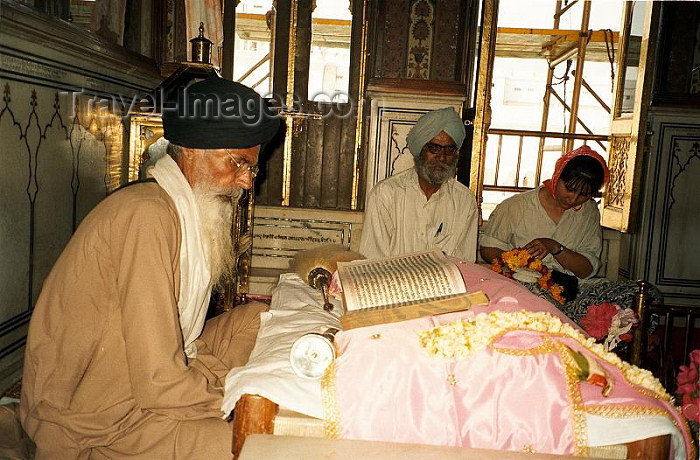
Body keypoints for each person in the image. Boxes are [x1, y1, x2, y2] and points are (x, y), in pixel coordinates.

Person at [20, 76, 280, 458]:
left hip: (147, 370)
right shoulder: (146, 216)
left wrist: (219, 381)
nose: (246, 183)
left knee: (260, 318)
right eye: (239, 163)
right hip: (102, 414)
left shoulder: (173, 205)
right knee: (244, 443)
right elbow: (158, 382)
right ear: (193, 150)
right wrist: (236, 398)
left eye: (250, 169)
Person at [359, 107, 478, 261]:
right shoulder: (386, 194)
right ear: (420, 150)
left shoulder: (465, 202)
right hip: (392, 283)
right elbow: (372, 262)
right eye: (434, 148)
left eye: (449, 150)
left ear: (456, 154)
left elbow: (465, 265)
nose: (441, 158)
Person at [479, 145, 609, 280]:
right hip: (520, 282)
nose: (573, 199)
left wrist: (555, 248)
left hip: (570, 288)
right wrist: (522, 265)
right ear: (557, 177)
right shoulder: (515, 206)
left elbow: (586, 270)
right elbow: (488, 249)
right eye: (570, 189)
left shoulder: (589, 211)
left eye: (584, 194)